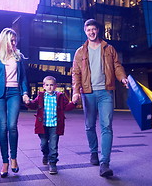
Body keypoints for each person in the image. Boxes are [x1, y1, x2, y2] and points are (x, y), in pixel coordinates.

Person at [72, 19, 128, 177]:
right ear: (85, 31)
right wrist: (76, 91)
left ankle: (105, 163)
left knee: (106, 127)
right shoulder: (80, 52)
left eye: (94, 29)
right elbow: (76, 73)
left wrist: (122, 78)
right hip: (88, 93)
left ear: (98, 30)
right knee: (89, 125)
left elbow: (117, 65)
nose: (91, 32)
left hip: (106, 92)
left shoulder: (109, 49)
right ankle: (93, 152)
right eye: (88, 30)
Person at [0, 28, 30, 178]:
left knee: (12, 126)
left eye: (15, 40)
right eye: (11, 41)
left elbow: (23, 78)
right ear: (4, 41)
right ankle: (5, 162)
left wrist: (25, 93)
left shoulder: (18, 56)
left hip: (14, 93)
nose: (14, 43)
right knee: (2, 127)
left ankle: (14, 158)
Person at [25, 76, 77, 175]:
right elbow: (33, 105)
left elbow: (66, 107)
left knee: (53, 146)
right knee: (44, 144)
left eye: (52, 85)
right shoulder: (41, 96)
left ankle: (52, 163)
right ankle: (45, 154)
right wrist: (28, 102)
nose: (49, 87)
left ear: (55, 86)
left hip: (55, 125)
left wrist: (73, 102)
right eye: (47, 85)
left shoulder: (60, 96)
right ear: (44, 86)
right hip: (43, 125)